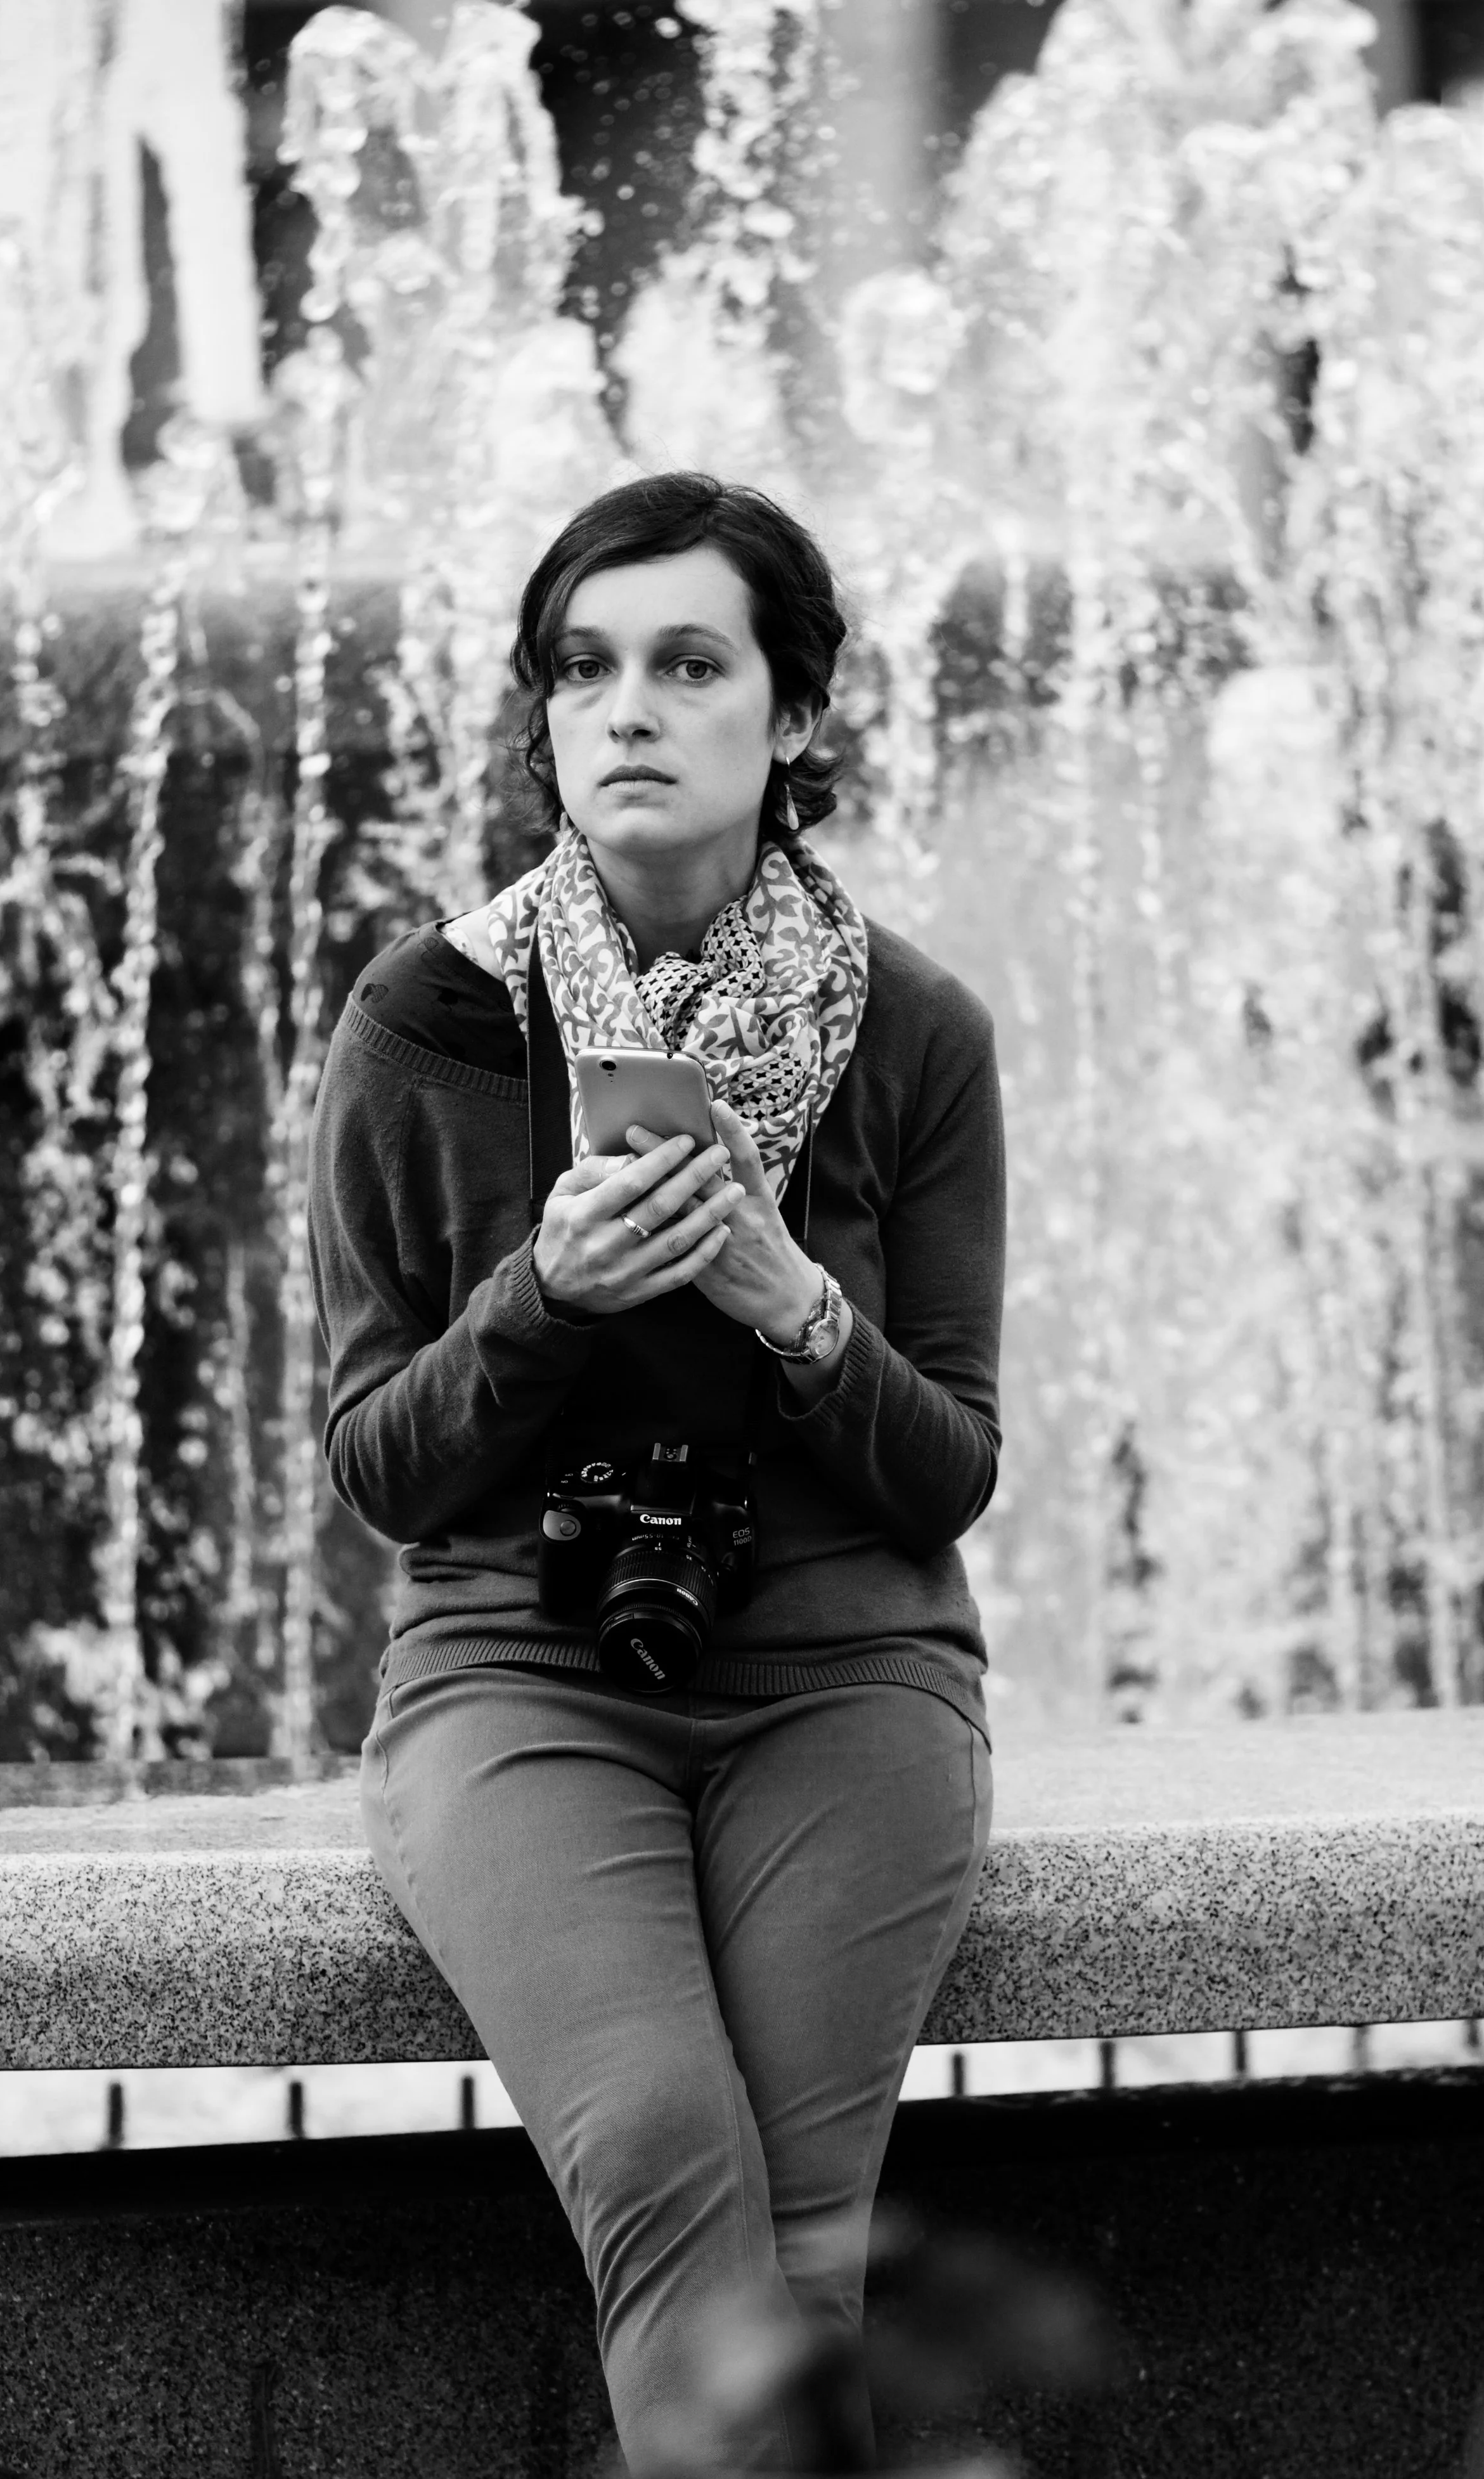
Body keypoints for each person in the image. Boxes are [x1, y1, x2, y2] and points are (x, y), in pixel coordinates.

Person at [309, 470, 1005, 2472]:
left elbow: (944, 1471)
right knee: (652, 2137)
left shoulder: (917, 1034)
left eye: (687, 663)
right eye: (581, 668)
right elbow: (382, 1463)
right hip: (519, 1684)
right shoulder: (427, 1022)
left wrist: (789, 1301)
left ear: (789, 716)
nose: (625, 708)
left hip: (844, 1680)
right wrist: (543, 1298)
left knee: (796, 2249)